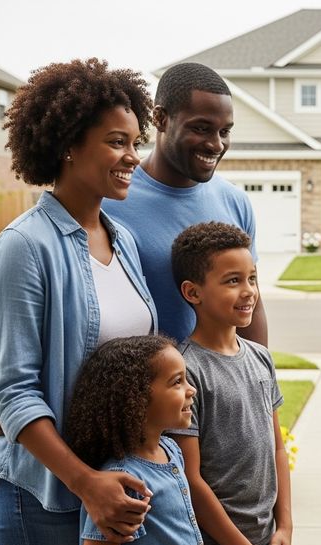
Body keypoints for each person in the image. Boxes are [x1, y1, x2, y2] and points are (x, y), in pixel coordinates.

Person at [0, 58, 157, 545]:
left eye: (135, 142)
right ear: (67, 145)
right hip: (45, 493)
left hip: (114, 481)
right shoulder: (24, 246)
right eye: (117, 142)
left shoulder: (122, 241)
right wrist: (85, 482)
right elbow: (14, 391)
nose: (134, 157)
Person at [101, 61, 267, 345]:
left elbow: (251, 303)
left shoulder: (235, 202)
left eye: (224, 131)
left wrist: (263, 382)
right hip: (140, 384)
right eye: (201, 128)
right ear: (161, 118)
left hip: (217, 385)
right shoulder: (111, 201)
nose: (216, 144)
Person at [168, 222, 292, 545]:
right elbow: (189, 479)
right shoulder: (185, 371)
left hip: (268, 540)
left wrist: (285, 527)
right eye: (233, 281)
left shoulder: (260, 357)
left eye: (252, 278)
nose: (249, 291)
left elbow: (277, 450)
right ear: (193, 293)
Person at [65, 335, 203, 545]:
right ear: (137, 397)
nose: (191, 390)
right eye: (177, 381)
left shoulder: (171, 450)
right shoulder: (124, 482)